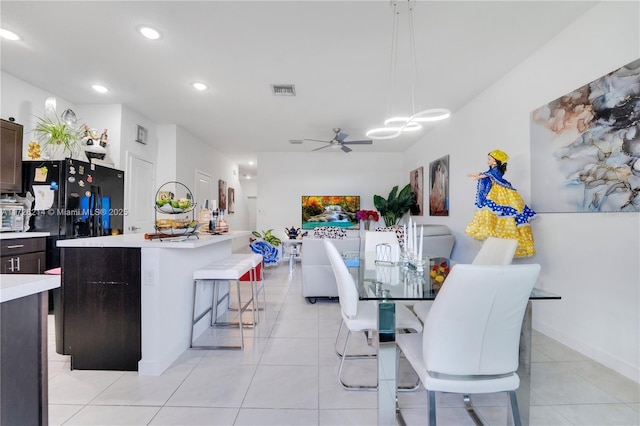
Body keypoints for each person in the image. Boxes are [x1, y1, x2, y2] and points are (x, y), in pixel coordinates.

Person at [465, 149, 536, 257]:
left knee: (497, 210)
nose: (487, 161)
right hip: (498, 191)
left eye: (489, 159)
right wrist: (478, 175)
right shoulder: (492, 171)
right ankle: (497, 233)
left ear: (495, 161)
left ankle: (500, 234)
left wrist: (478, 176)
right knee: (496, 212)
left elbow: (490, 174)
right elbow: (487, 174)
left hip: (499, 193)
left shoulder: (495, 170)